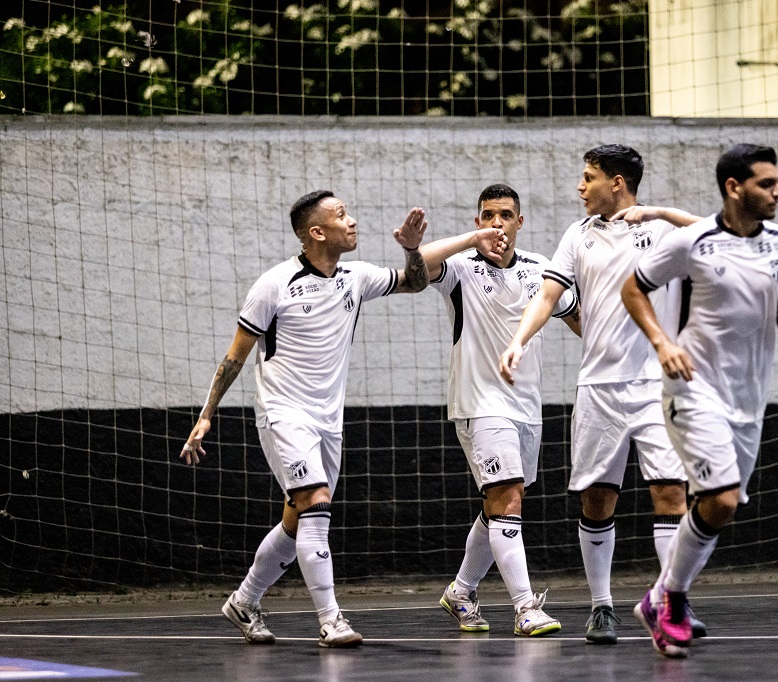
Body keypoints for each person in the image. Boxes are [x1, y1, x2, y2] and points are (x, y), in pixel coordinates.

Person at [179, 190, 430, 648]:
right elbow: (234, 358)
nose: (352, 221)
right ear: (317, 232)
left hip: (327, 423)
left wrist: (413, 248)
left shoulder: (356, 277)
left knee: (298, 521)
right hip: (282, 415)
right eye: (341, 216)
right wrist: (205, 416)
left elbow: (415, 282)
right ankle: (332, 620)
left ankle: (243, 599)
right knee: (315, 502)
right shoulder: (274, 284)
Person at [499, 145, 706, 644]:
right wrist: (518, 340)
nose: (579, 186)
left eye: (587, 177)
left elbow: (713, 231)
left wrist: (656, 209)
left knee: (670, 492)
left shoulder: (661, 231)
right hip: (598, 389)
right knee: (597, 499)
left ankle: (670, 602)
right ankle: (602, 605)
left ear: (617, 182)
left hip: (657, 387)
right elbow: (548, 296)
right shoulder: (578, 234)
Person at [621, 144, 778, 658]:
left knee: (718, 509)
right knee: (721, 498)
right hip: (692, 388)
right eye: (767, 184)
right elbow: (633, 288)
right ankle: (673, 599)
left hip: (748, 399)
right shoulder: (693, 241)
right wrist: (662, 343)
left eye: (777, 182)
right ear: (734, 187)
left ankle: (656, 598)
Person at [420, 183, 581, 636]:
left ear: (519, 222)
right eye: (488, 215)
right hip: (479, 403)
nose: (497, 223)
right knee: (508, 496)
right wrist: (471, 242)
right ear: (478, 222)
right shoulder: (461, 268)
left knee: (499, 505)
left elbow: (577, 317)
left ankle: (461, 590)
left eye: (506, 215)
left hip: (527, 409)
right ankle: (525, 608)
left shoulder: (540, 269)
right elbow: (421, 263)